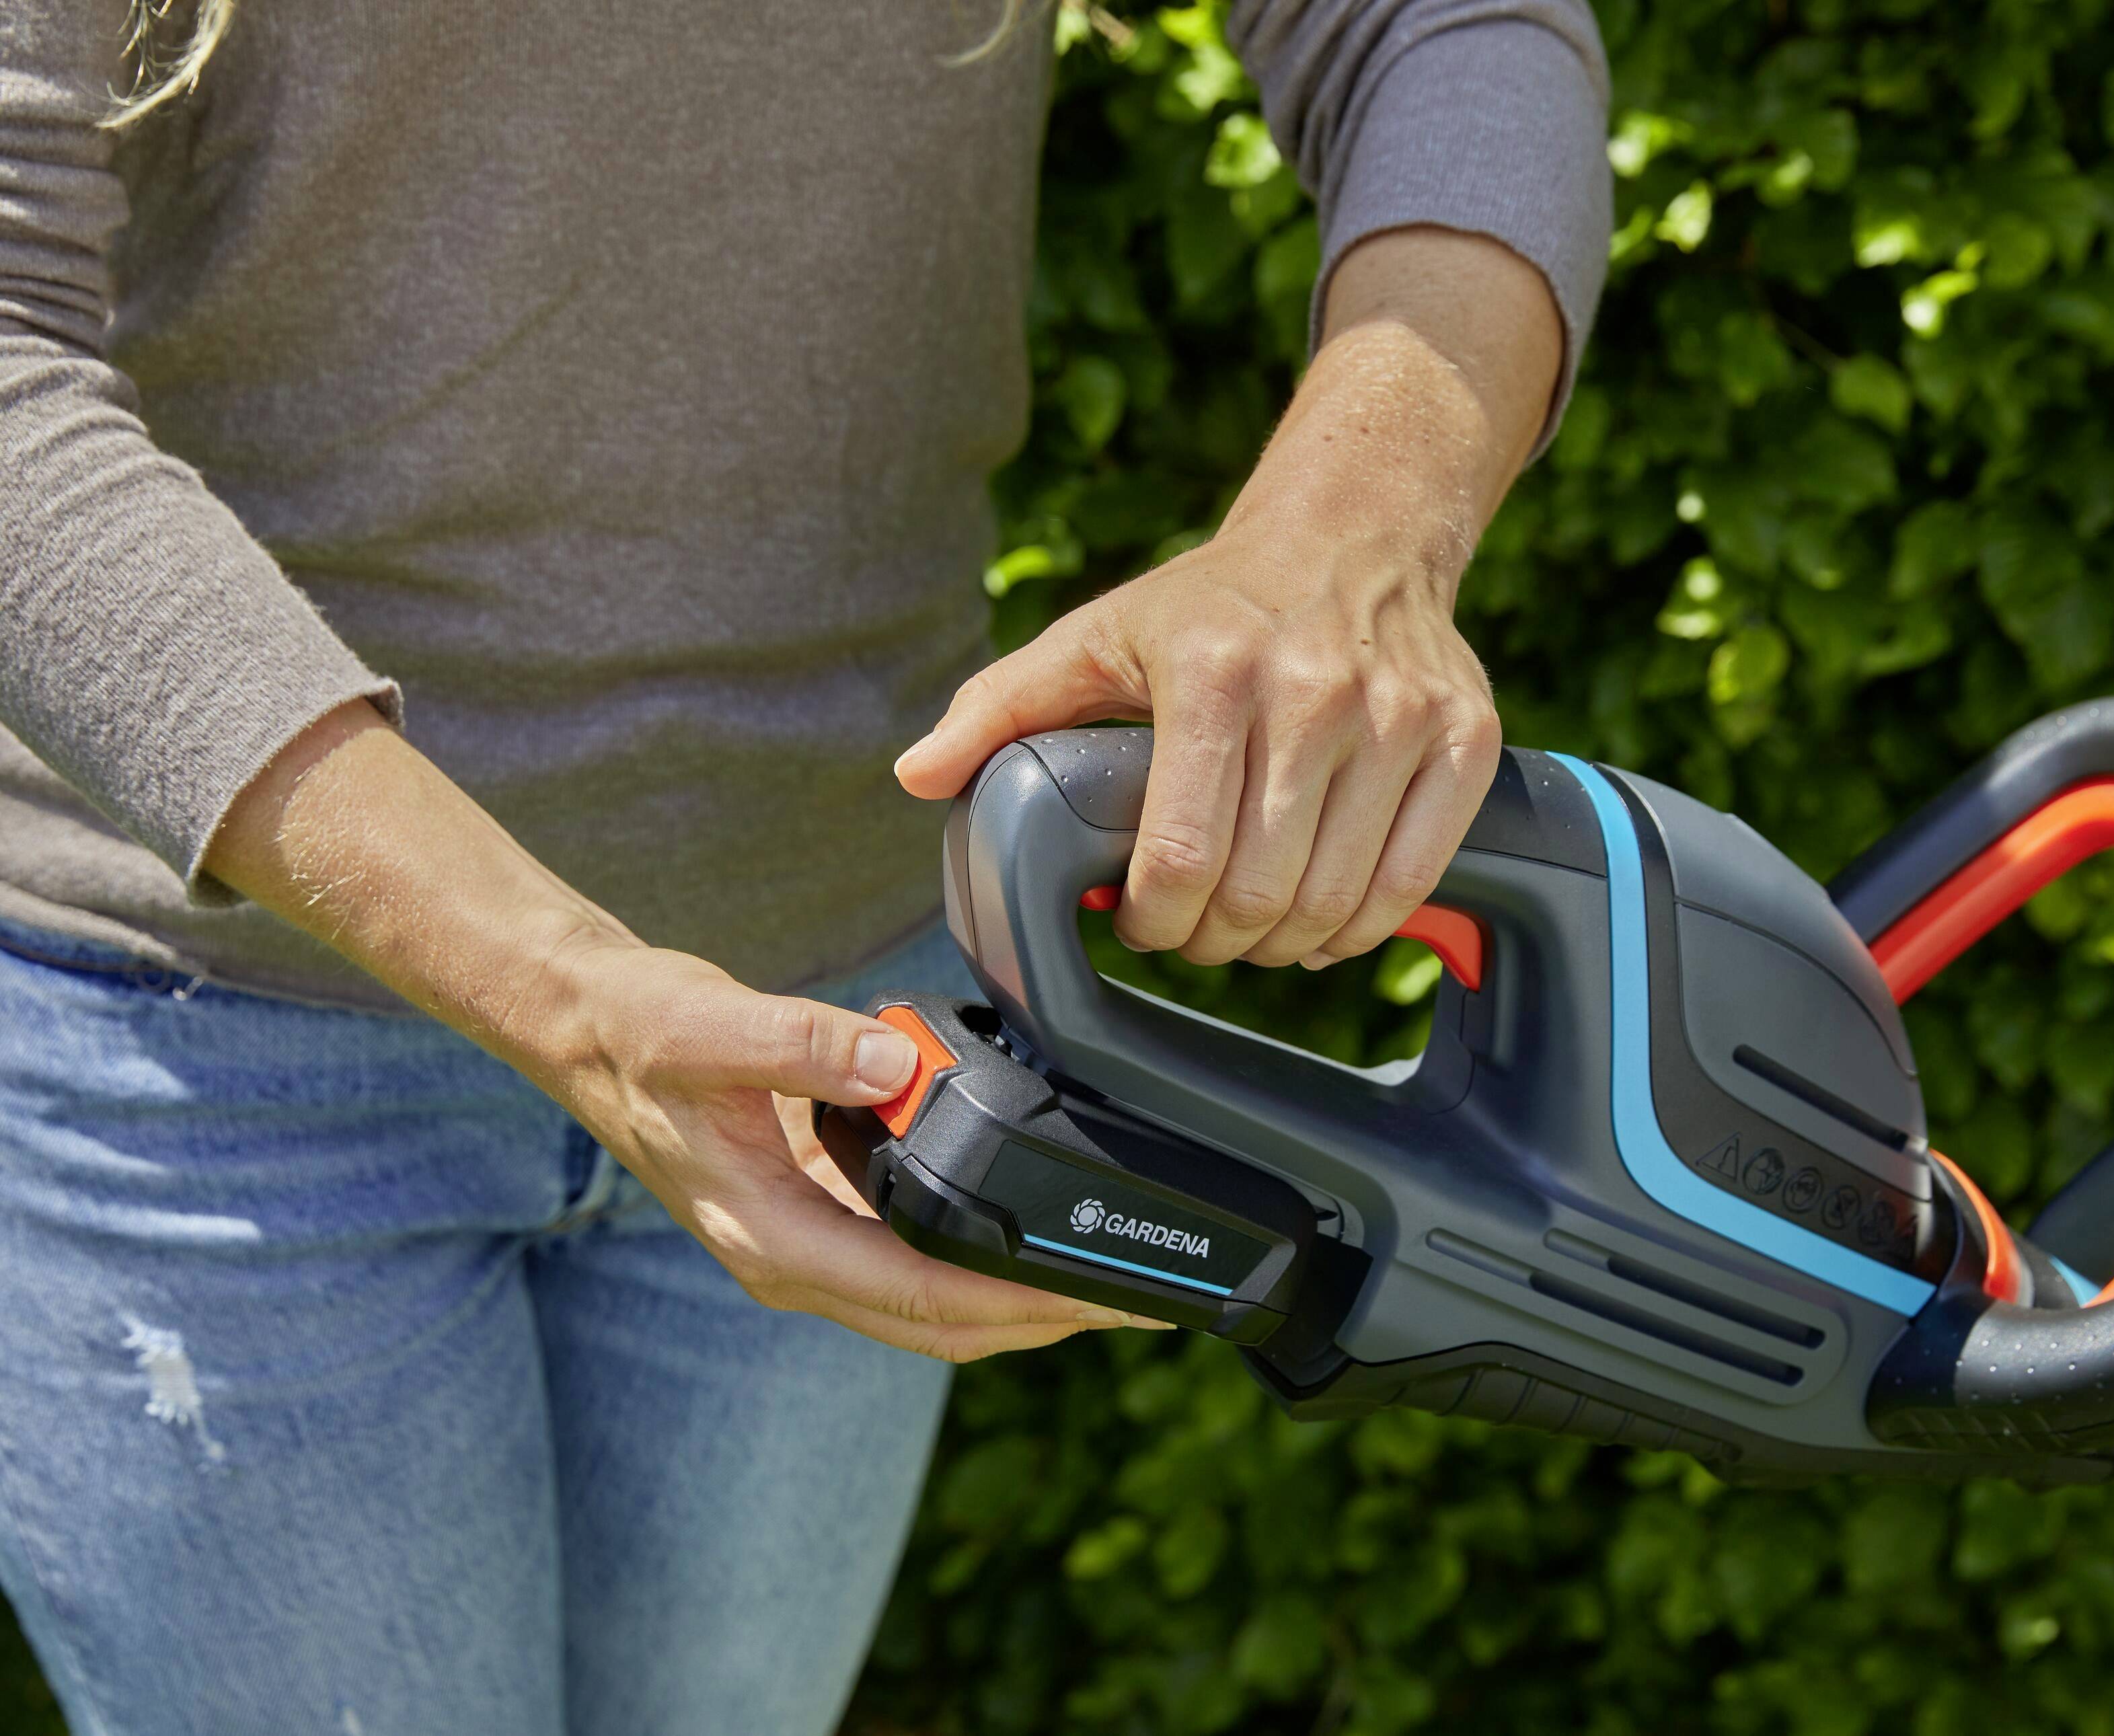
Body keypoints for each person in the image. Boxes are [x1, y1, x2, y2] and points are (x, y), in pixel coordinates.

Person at [0, 0, 1611, 1728]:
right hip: (203, 1062)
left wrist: (1356, 527)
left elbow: (1447, 28)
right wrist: (568, 994)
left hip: (841, 1018)